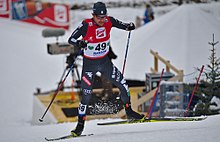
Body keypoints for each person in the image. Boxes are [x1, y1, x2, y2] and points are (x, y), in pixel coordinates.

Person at [68, 2, 144, 136]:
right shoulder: (86, 25)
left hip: (105, 62)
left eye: (104, 17)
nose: (102, 20)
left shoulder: (110, 21)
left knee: (123, 85)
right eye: (99, 17)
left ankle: (129, 111)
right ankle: (80, 125)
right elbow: (71, 39)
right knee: (86, 95)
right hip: (89, 65)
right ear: (93, 16)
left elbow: (124, 25)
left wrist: (129, 26)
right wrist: (79, 42)